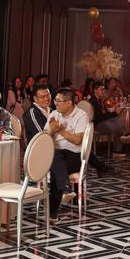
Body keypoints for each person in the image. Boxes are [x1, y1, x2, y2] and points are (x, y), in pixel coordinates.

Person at [45, 88, 89, 219]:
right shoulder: (54, 114)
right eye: (55, 100)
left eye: (58, 101)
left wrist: (60, 130)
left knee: (56, 164)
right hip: (56, 156)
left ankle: (52, 213)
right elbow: (44, 137)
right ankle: (65, 188)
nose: (55, 103)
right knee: (56, 158)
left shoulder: (81, 116)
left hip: (74, 157)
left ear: (69, 103)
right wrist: (52, 131)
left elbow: (77, 140)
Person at [89, 80, 127, 154]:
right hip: (97, 125)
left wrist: (115, 113)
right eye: (101, 89)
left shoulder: (100, 100)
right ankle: (117, 151)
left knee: (117, 119)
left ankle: (123, 132)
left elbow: (105, 114)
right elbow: (100, 117)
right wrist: (114, 113)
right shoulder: (93, 101)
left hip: (102, 121)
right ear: (95, 90)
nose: (103, 91)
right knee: (117, 128)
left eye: (103, 89)